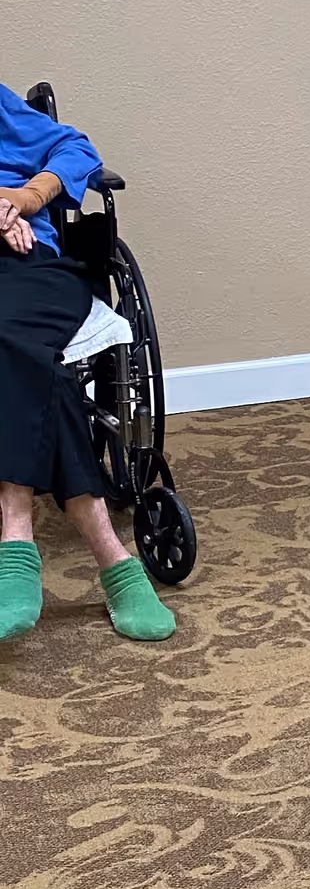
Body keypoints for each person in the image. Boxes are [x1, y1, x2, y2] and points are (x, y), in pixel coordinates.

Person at [0, 82, 175, 644]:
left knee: (14, 339)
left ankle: (15, 532)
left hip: (31, 262)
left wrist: (25, 199)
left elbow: (76, 149)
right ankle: (113, 560)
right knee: (39, 363)